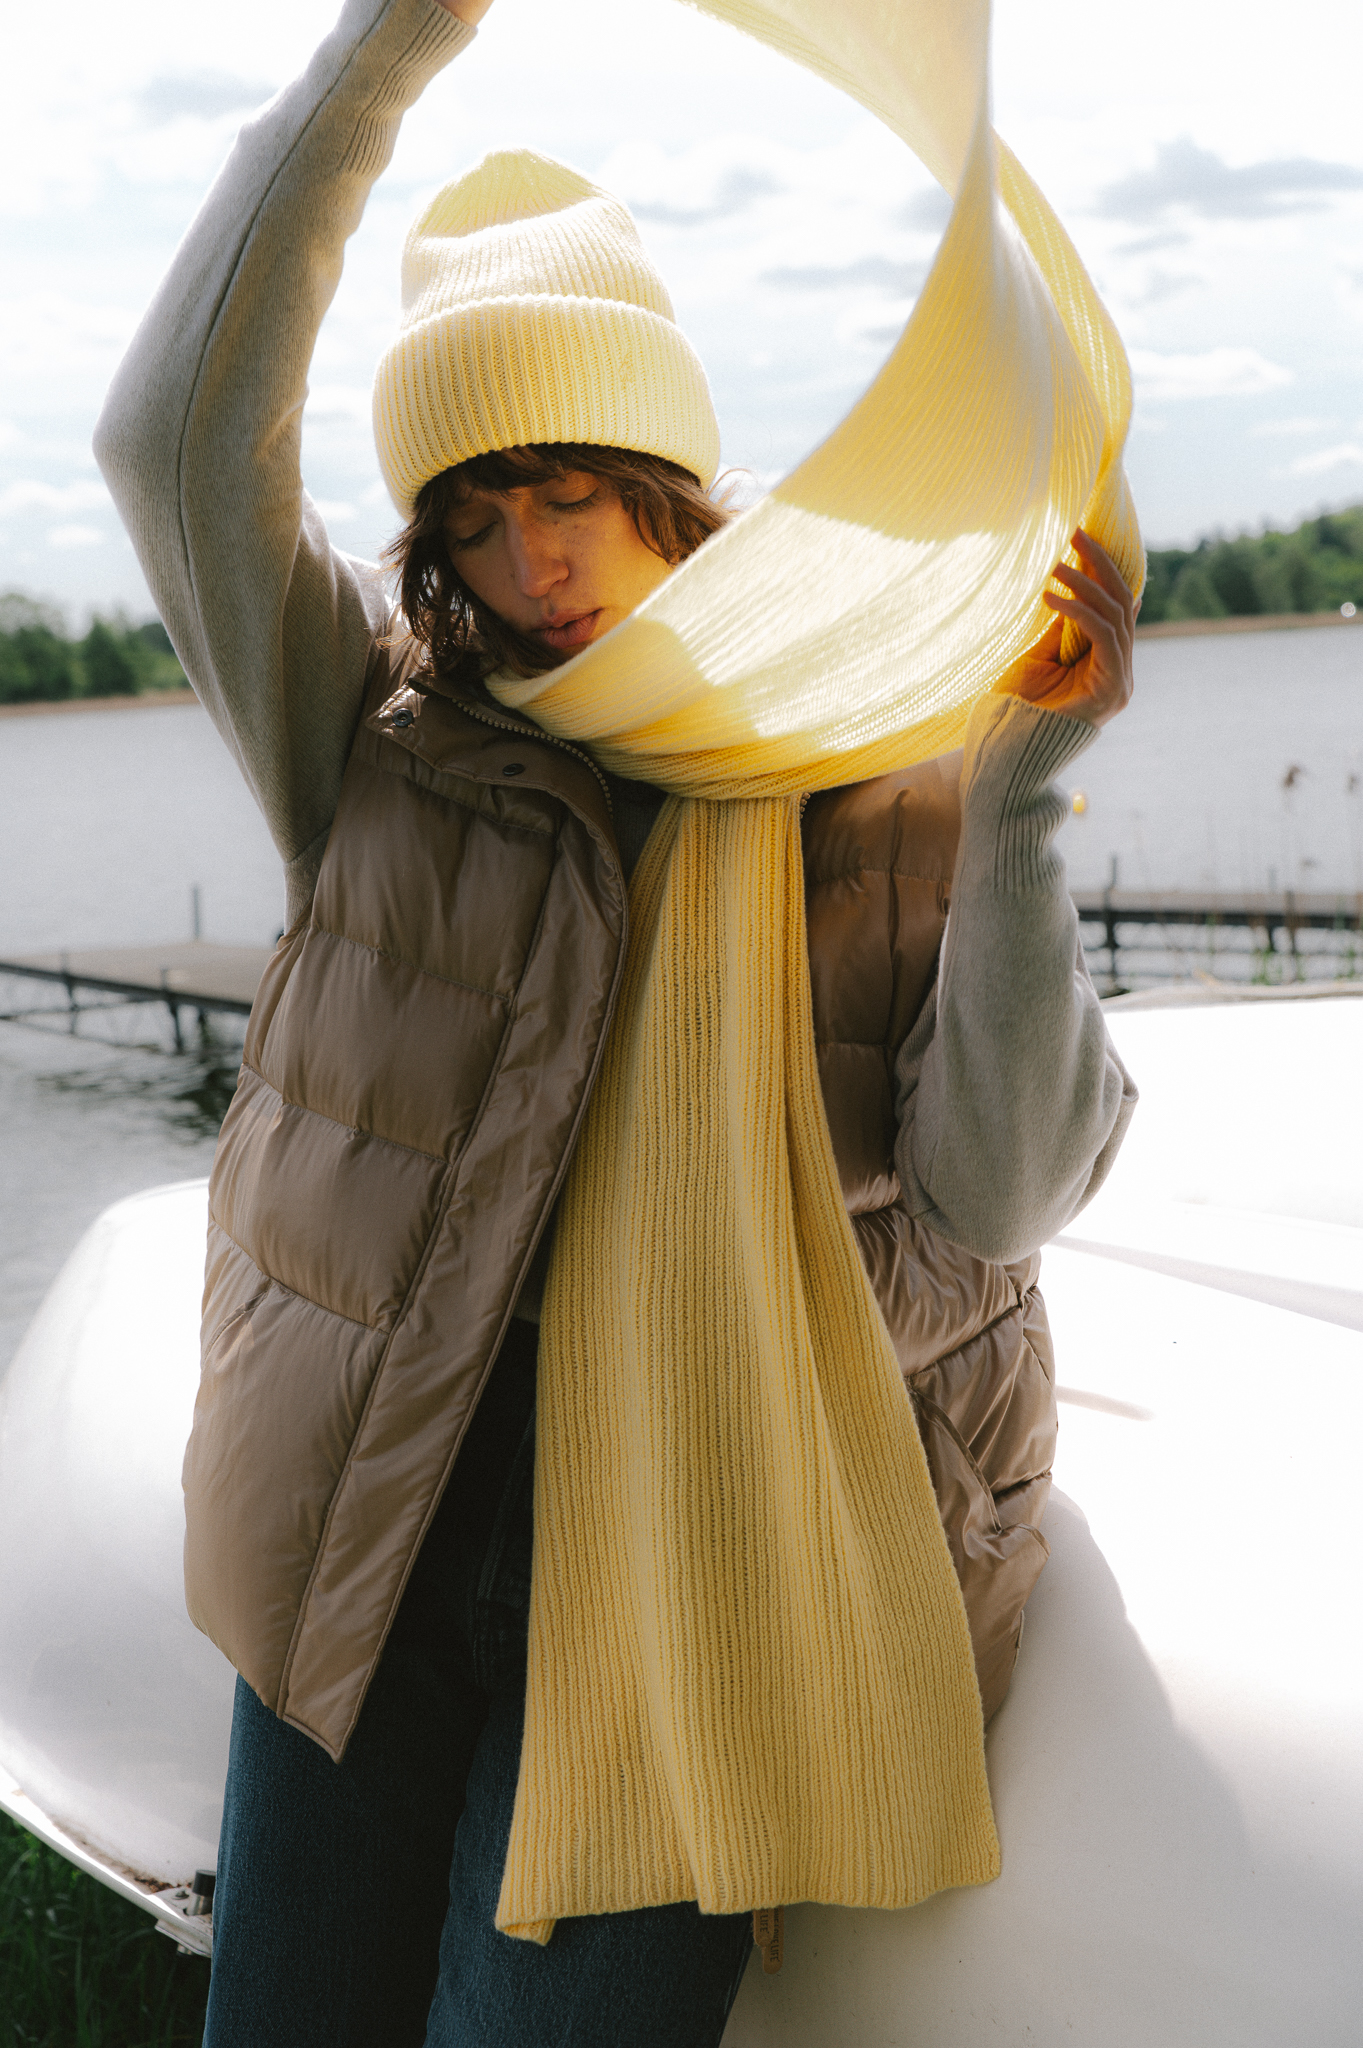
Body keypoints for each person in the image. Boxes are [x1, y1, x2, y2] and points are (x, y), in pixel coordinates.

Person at [94, 0, 1138, 2039]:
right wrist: (382, 47)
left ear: (659, 464)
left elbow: (1002, 1196)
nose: (526, 561)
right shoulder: (381, 733)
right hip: (379, 1535)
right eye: (470, 520)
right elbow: (173, 443)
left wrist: (1019, 799)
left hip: (714, 1583)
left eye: (563, 487)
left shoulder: (884, 751)